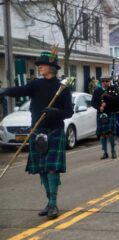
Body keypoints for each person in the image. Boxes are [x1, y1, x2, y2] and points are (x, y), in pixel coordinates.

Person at [0, 50, 73, 219]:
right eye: (38, 64)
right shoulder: (36, 85)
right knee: (42, 169)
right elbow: (21, 90)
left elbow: (69, 111)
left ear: (52, 68)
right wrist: (5, 91)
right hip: (37, 131)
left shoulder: (62, 87)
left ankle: (54, 205)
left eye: (42, 64)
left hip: (54, 131)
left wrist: (55, 112)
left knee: (52, 169)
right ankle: (49, 202)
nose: (39, 67)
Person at [91, 76, 119, 159]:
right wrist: (99, 107)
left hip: (110, 112)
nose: (105, 82)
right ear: (101, 82)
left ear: (109, 81)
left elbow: (118, 99)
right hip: (101, 114)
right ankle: (105, 152)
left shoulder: (113, 89)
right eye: (103, 81)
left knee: (110, 133)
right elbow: (92, 102)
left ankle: (113, 151)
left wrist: (108, 97)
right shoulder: (97, 90)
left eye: (107, 80)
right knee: (103, 134)